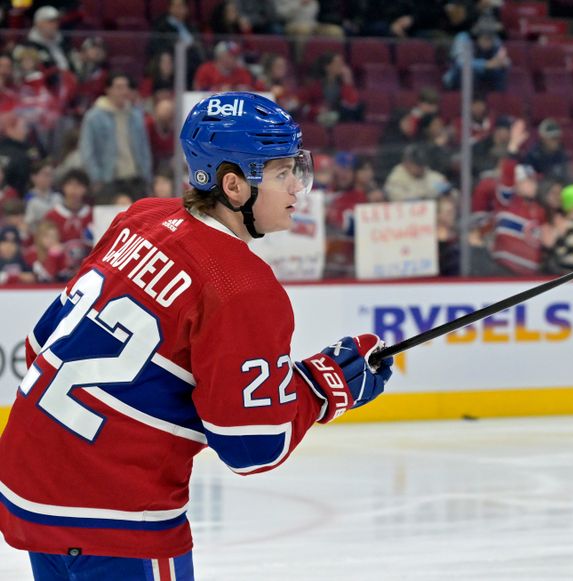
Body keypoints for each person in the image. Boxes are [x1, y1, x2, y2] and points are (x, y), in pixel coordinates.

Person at [0, 91, 393, 579]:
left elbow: (44, 341)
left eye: (298, 168)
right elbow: (253, 444)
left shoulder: (140, 218)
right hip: (117, 513)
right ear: (234, 184)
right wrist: (324, 387)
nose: (299, 186)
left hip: (30, 483)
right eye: (281, 173)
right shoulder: (241, 286)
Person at [79, 72, 153, 203]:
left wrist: (146, 174)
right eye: (119, 87)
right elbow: (87, 151)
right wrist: (96, 178)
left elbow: (144, 147)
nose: (123, 92)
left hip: (135, 179)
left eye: (126, 87)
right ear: (108, 90)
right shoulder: (94, 117)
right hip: (108, 180)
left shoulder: (135, 115)